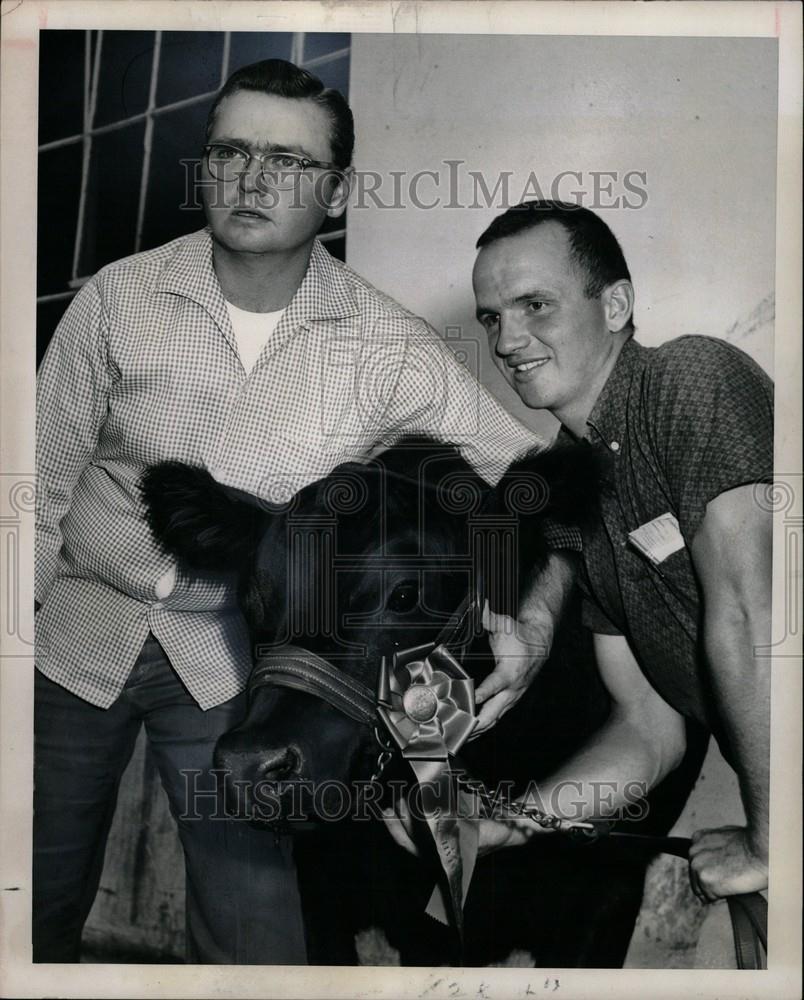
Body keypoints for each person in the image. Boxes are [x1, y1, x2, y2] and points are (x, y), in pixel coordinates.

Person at [34, 62, 571, 963]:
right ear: (203, 166)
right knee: (28, 905)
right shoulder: (116, 300)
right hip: (71, 637)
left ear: (335, 191)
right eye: (231, 151)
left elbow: (534, 479)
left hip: (237, 666)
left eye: (288, 161)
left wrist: (536, 615)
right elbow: (32, 489)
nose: (252, 181)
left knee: (257, 942)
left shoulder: (389, 345)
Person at [385, 201, 772, 904]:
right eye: (492, 316)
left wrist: (770, 840)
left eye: (536, 304)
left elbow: (751, 617)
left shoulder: (691, 378)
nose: (508, 340)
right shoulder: (572, 477)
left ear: (616, 303)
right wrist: (516, 821)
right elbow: (650, 732)